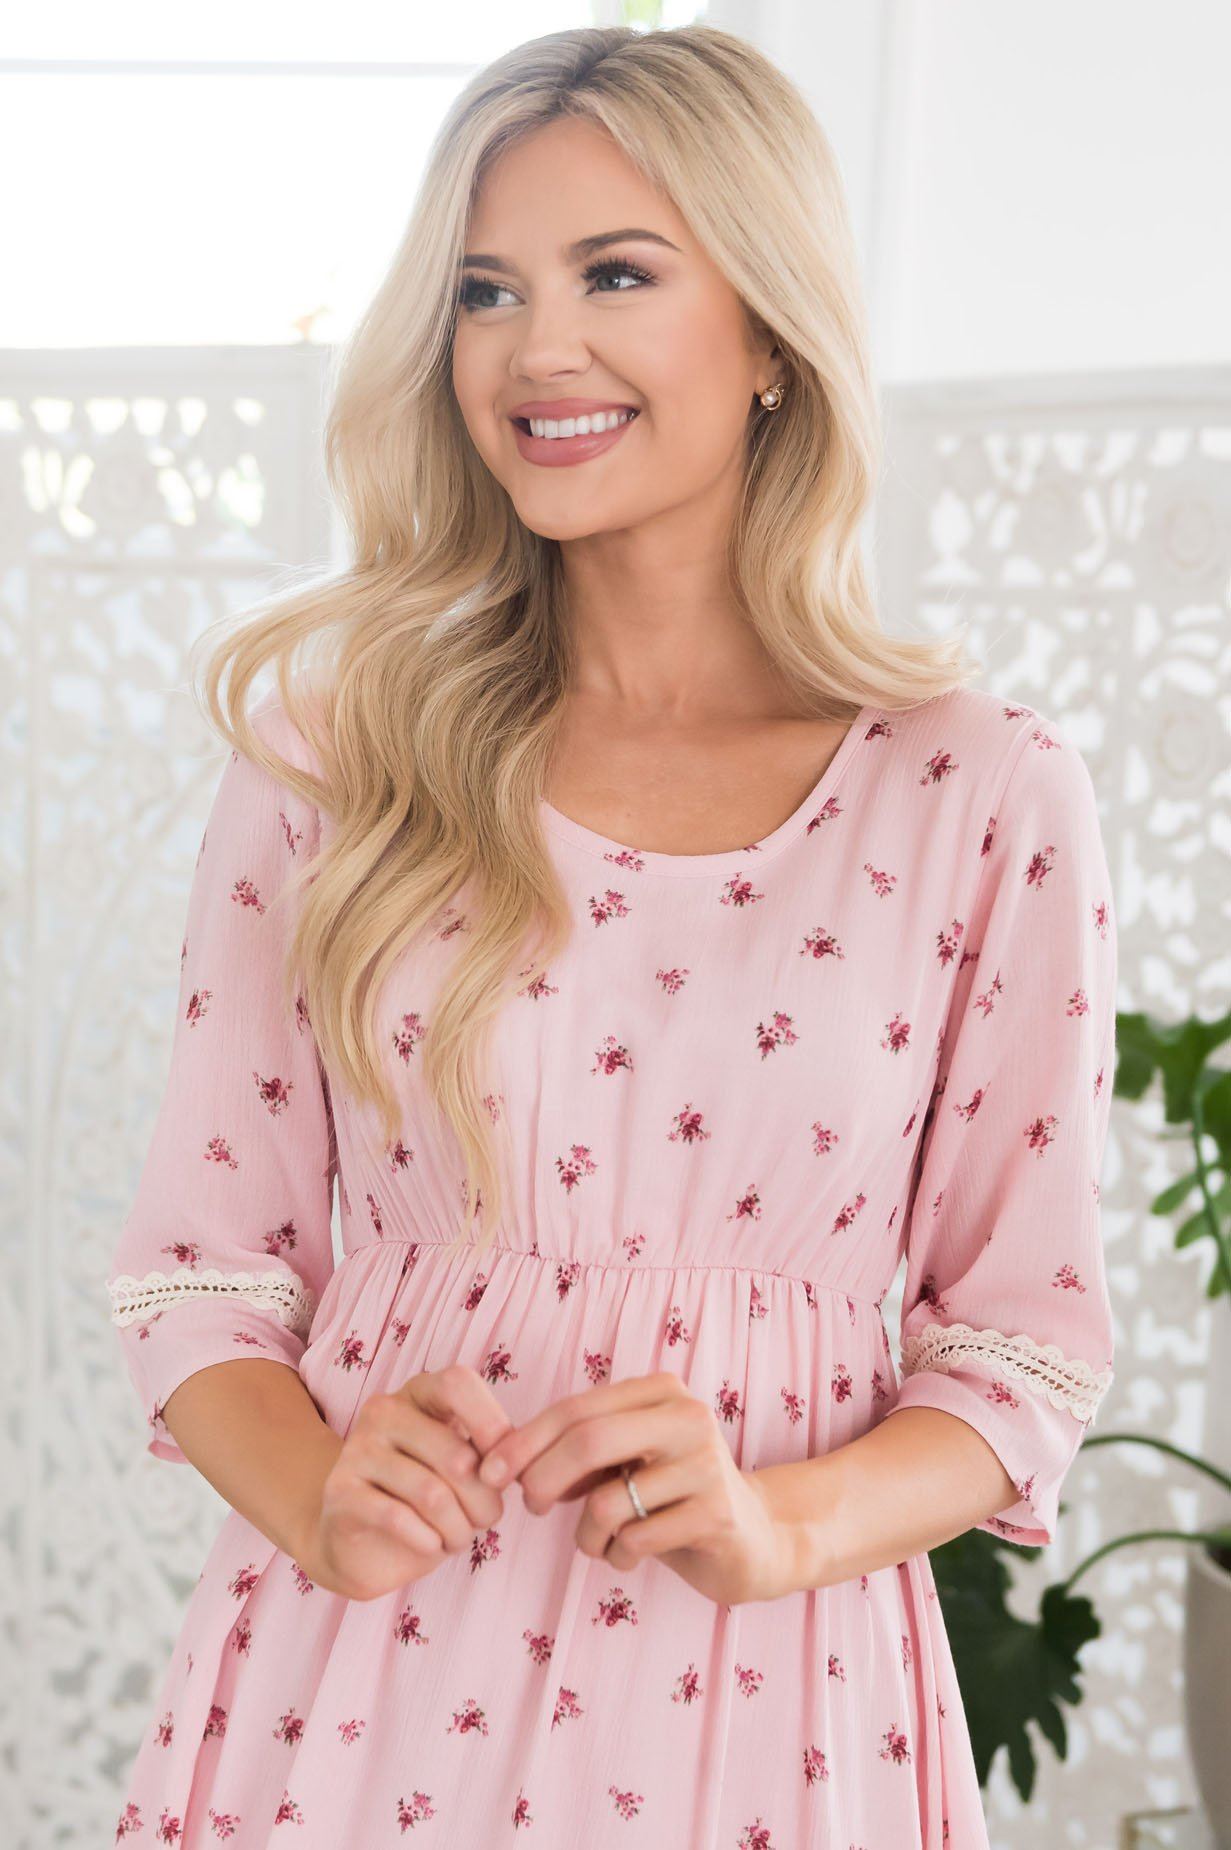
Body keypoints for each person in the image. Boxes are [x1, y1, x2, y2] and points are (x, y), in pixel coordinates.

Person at [105, 23, 1117, 1848]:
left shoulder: (977, 792)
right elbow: (199, 1270)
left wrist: (780, 1522)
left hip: (776, 1709)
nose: (535, 348)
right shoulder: (338, 762)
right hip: (361, 1696)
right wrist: (321, 1493)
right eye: (486, 290)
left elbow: (1024, 1346)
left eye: (618, 274)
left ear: (773, 337)